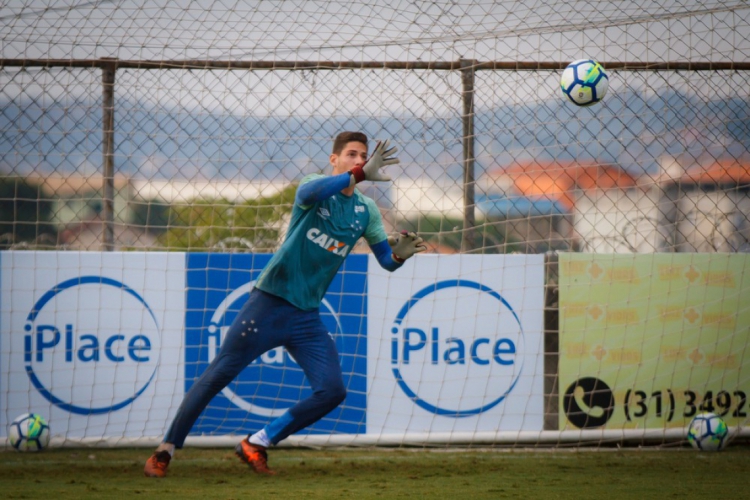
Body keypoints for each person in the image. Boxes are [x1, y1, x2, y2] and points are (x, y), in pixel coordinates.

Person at [144, 131, 426, 477]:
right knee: (218, 375)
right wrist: (357, 176)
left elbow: (385, 259)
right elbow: (307, 193)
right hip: (267, 305)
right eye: (351, 154)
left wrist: (400, 256)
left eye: (363, 156)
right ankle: (165, 450)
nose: (359, 159)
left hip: (306, 317)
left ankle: (257, 442)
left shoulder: (366, 210)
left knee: (333, 391)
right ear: (334, 159)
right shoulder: (315, 186)